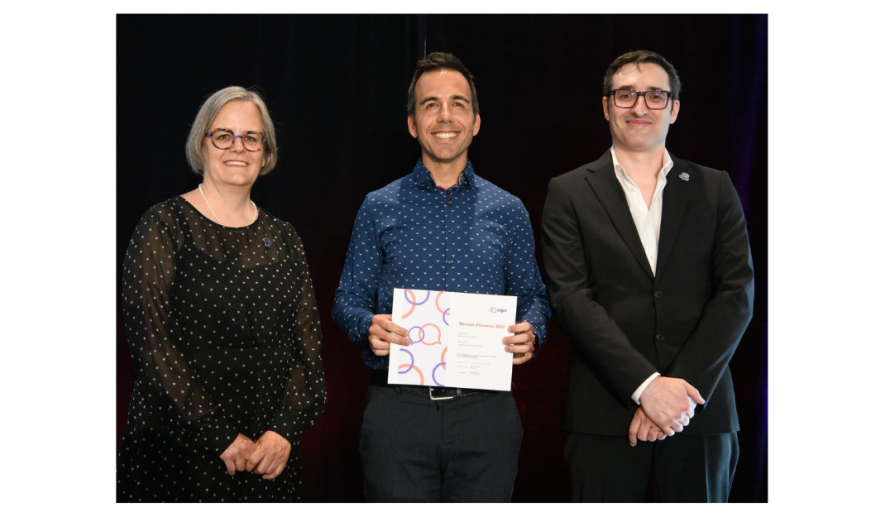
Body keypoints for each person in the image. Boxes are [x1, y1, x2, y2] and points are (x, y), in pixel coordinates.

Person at [333, 52, 550, 504]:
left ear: (475, 121)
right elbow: (347, 297)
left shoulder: (508, 211)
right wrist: (366, 324)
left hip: (485, 411)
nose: (445, 116)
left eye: (458, 104)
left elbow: (534, 296)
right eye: (431, 105)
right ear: (413, 123)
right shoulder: (379, 206)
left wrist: (533, 330)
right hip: (398, 411)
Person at [541, 50, 754, 504]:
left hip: (700, 413)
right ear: (606, 106)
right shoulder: (569, 191)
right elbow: (571, 300)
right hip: (604, 414)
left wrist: (675, 396)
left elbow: (736, 295)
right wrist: (645, 387)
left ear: (674, 109)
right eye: (626, 95)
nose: (640, 107)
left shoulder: (715, 188)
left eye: (655, 95)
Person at [115, 86, 326, 504]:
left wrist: (285, 431)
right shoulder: (163, 225)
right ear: (202, 144)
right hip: (179, 452)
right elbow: (151, 344)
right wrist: (219, 434)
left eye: (251, 137)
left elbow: (309, 349)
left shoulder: (284, 237)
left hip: (269, 459)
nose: (238, 147)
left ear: (265, 152)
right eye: (223, 135)